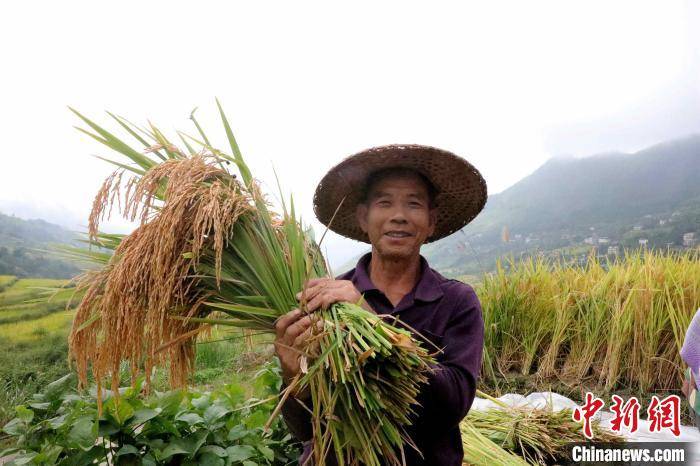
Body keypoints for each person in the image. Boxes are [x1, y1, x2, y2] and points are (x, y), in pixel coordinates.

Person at [274, 144, 488, 465]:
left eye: (413, 204)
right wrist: (293, 377)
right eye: (384, 202)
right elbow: (304, 429)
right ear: (363, 217)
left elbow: (453, 405)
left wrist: (372, 322)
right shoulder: (326, 300)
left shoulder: (457, 301)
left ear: (431, 221)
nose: (398, 216)